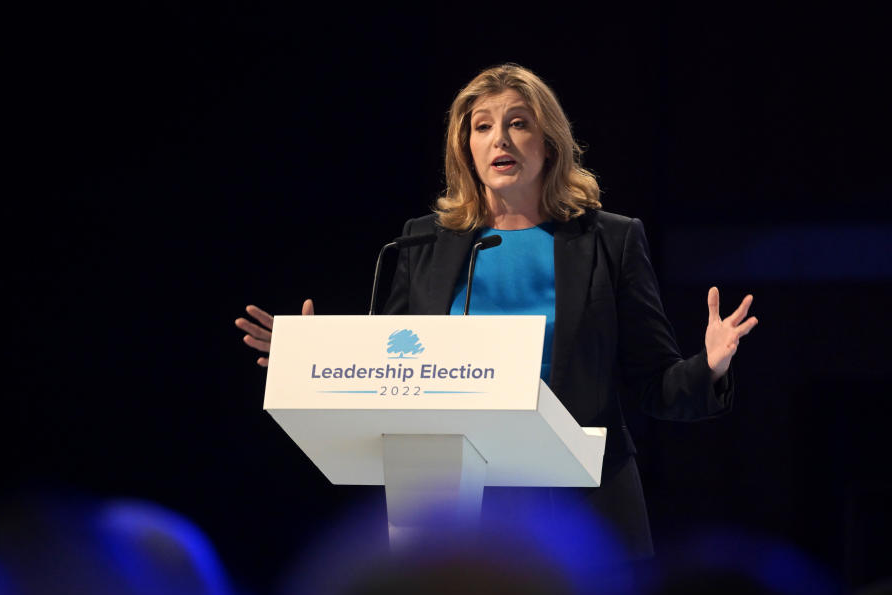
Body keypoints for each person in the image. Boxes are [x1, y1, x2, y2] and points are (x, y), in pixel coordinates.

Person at [235, 63, 757, 557]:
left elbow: (654, 382)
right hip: (447, 500)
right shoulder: (421, 244)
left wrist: (709, 367)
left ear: (548, 142)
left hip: (579, 503)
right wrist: (312, 360)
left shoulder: (608, 240)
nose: (499, 139)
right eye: (482, 126)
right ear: (466, 147)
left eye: (517, 124)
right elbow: (391, 367)